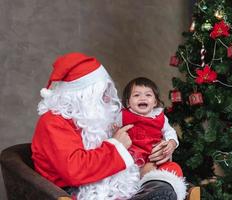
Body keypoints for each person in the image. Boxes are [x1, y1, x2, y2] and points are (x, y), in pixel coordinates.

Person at [31, 52, 187, 200]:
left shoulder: (90, 117)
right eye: (101, 93)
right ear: (81, 96)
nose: (107, 98)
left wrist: (161, 151)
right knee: (161, 191)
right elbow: (75, 170)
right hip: (77, 191)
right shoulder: (53, 122)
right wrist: (117, 145)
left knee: (166, 182)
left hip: (113, 183)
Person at [118, 77, 182, 176]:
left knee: (173, 169)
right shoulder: (123, 115)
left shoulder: (159, 117)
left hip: (153, 157)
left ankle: (157, 185)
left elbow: (169, 131)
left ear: (155, 102)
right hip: (131, 159)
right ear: (128, 103)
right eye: (136, 95)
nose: (143, 98)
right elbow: (110, 129)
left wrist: (172, 142)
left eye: (148, 95)